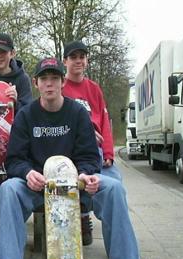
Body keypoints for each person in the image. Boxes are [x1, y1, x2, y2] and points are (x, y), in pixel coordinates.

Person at [0, 58, 155, 259]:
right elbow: (13, 160)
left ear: (62, 83)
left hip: (76, 186)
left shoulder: (77, 113)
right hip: (38, 187)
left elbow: (91, 156)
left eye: (55, 78)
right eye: (44, 79)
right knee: (9, 190)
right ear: (36, 84)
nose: (49, 84)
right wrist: (27, 173)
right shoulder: (26, 115)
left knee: (113, 189)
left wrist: (88, 175)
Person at [62, 40, 122, 246]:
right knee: (78, 180)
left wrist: (108, 153)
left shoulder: (94, 89)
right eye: (73, 57)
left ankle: (115, 245)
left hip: (96, 150)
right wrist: (85, 133)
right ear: (65, 61)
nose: (78, 61)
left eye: (82, 57)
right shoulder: (60, 87)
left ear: (87, 61)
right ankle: (83, 214)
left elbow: (104, 121)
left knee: (115, 187)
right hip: (73, 150)